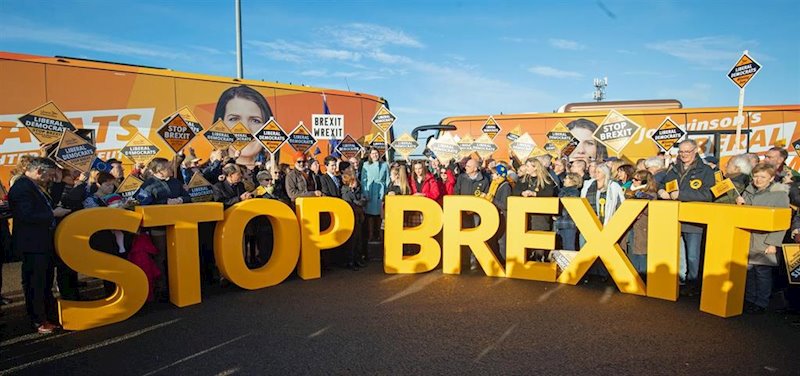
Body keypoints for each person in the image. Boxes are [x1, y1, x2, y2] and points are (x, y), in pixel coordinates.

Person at [8, 157, 71, 334]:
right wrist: (52, 214)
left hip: (42, 242)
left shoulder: (34, 186)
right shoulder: (22, 187)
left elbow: (49, 204)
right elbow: (26, 215)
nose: (51, 179)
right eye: (50, 175)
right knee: (35, 283)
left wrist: (58, 184)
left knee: (44, 282)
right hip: (33, 244)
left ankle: (48, 316)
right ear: (39, 172)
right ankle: (38, 320)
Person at [658, 139, 715, 294]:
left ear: (695, 150)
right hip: (673, 218)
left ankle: (694, 283)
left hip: (694, 220)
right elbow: (662, 184)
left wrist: (681, 194)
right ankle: (680, 280)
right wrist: (661, 191)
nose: (684, 155)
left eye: (687, 151)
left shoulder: (706, 171)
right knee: (678, 255)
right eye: (681, 152)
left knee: (692, 256)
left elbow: (708, 194)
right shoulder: (674, 168)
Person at [735, 163, 790, 313]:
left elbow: (783, 221)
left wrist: (773, 243)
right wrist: (739, 205)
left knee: (762, 272)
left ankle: (761, 303)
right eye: (756, 176)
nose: (758, 180)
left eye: (763, 177)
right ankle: (750, 299)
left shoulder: (779, 195)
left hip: (765, 240)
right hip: (747, 237)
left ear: (771, 178)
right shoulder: (748, 191)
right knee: (749, 271)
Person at [213, 85, 273, 168]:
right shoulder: (206, 174)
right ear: (220, 124)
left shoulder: (276, 174)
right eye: (234, 119)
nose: (245, 129)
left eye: (255, 120)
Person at [514, 158, 556, 261]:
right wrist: (521, 193)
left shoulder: (546, 180)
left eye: (528, 166)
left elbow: (549, 193)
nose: (526, 168)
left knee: (539, 240)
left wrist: (535, 194)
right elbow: (515, 191)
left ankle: (540, 259)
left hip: (540, 216)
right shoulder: (523, 180)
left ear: (535, 167)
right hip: (525, 215)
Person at [624, 170, 658, 275]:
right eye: (633, 179)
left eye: (636, 179)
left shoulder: (651, 194)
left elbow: (652, 211)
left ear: (644, 181)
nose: (633, 181)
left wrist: (640, 208)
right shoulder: (629, 192)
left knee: (642, 255)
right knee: (631, 252)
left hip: (643, 228)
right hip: (632, 228)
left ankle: (643, 278)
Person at [361, 148, 388, 244]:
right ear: (370, 155)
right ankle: (371, 235)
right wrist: (365, 193)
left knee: (381, 215)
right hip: (370, 190)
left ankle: (381, 236)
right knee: (370, 216)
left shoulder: (384, 165)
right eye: (373, 153)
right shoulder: (365, 165)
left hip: (380, 191)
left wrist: (386, 192)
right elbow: (363, 181)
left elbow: (387, 179)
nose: (375, 155)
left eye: (376, 153)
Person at [487, 163, 513, 260]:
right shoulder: (495, 185)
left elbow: (505, 205)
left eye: (493, 174)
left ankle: (503, 261)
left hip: (502, 217)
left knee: (501, 240)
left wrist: (492, 199)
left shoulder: (505, 186)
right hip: (495, 215)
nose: (492, 176)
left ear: (499, 174)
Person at [341, 171, 366, 270]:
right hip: (351, 218)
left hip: (359, 217)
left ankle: (357, 259)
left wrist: (358, 202)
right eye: (354, 181)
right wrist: (358, 202)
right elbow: (350, 204)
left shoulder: (357, 190)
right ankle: (350, 261)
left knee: (358, 240)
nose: (357, 182)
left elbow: (363, 200)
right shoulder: (345, 192)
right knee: (352, 241)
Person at [555, 172, 582, 251]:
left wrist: (557, 213)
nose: (564, 180)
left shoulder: (574, 192)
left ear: (572, 180)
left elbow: (569, 208)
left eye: (566, 178)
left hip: (568, 223)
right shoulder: (562, 191)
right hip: (561, 222)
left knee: (568, 248)